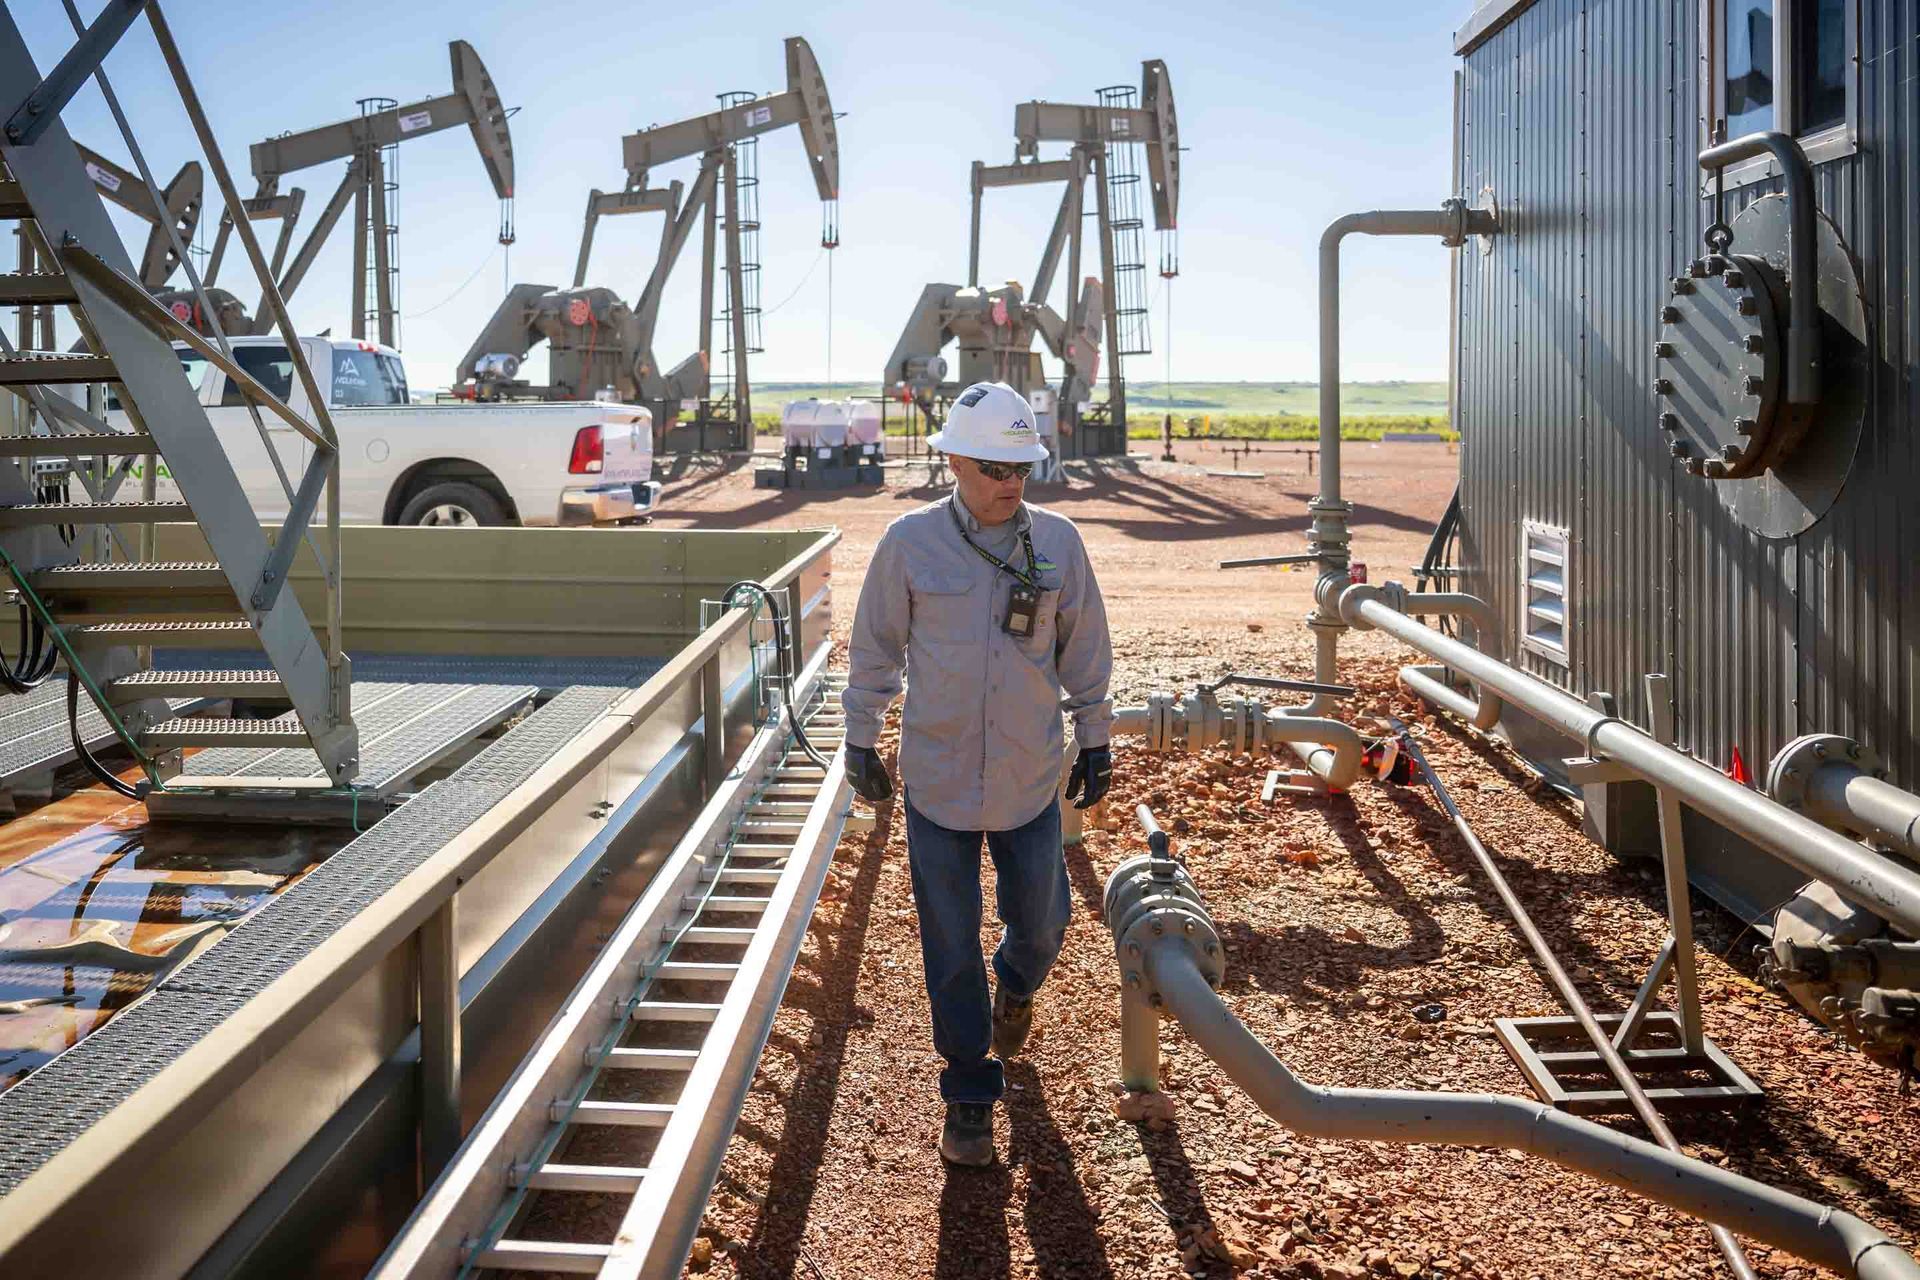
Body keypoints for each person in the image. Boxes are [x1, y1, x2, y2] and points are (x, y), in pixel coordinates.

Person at [841, 380, 1113, 1167]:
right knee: (949, 943)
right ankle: (967, 1089)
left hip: (1030, 777)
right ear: (955, 460)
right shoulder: (909, 544)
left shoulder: (1059, 544)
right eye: (995, 468)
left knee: (1044, 921)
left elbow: (1085, 648)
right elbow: (877, 650)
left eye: (1021, 468)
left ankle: (1018, 985)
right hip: (938, 779)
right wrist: (861, 740)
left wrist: (1094, 738)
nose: (1010, 484)